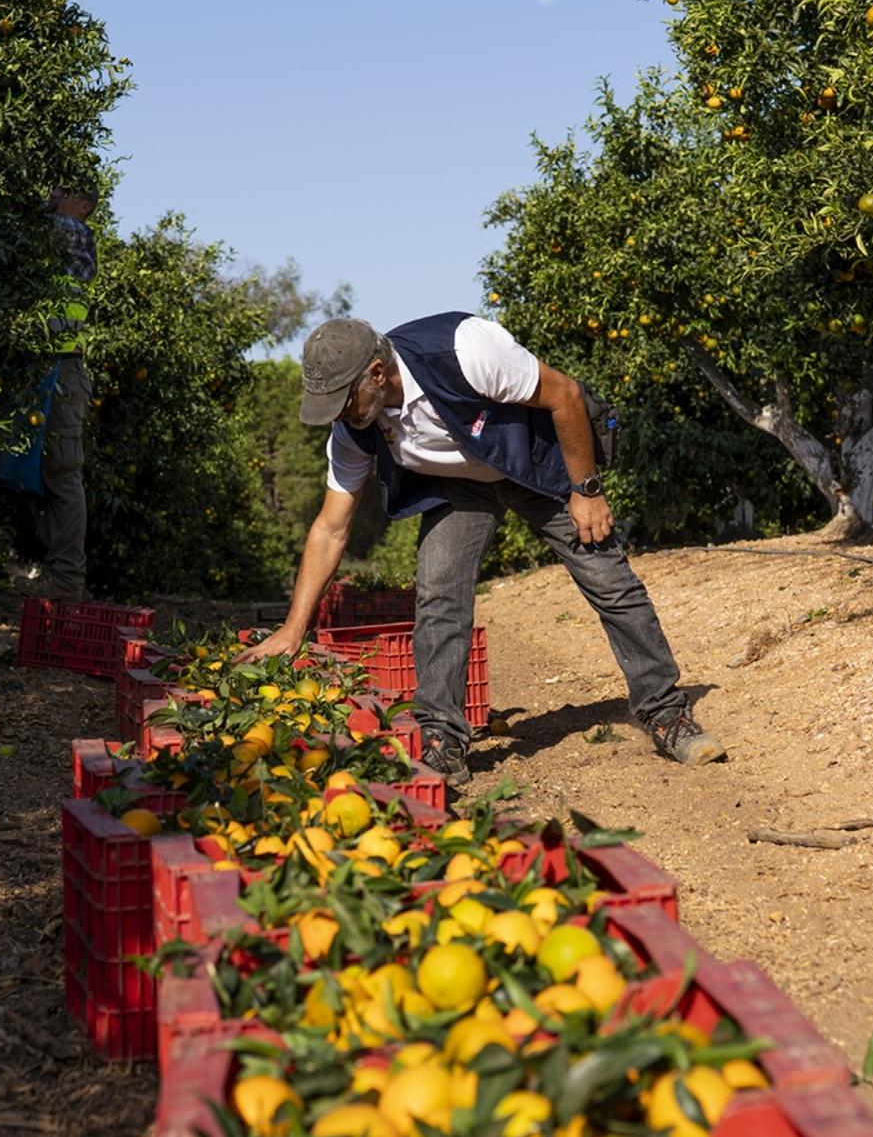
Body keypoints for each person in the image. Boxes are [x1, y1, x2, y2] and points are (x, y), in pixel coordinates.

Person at [241, 312, 726, 786]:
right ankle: (442, 738)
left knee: (610, 582)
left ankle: (665, 712)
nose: (341, 414)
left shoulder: (464, 349)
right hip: (459, 488)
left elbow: (566, 395)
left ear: (376, 372)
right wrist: (294, 626)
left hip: (534, 468)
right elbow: (331, 527)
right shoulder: (353, 428)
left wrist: (587, 489)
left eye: (343, 400)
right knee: (439, 598)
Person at [29, 182, 97, 602]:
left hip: (62, 367)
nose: (55, 193)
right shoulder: (58, 234)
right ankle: (40, 566)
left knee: (62, 471)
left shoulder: (73, 231)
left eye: (65, 190)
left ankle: (68, 579)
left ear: (84, 205)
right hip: (36, 363)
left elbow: (26, 225)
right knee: (28, 468)